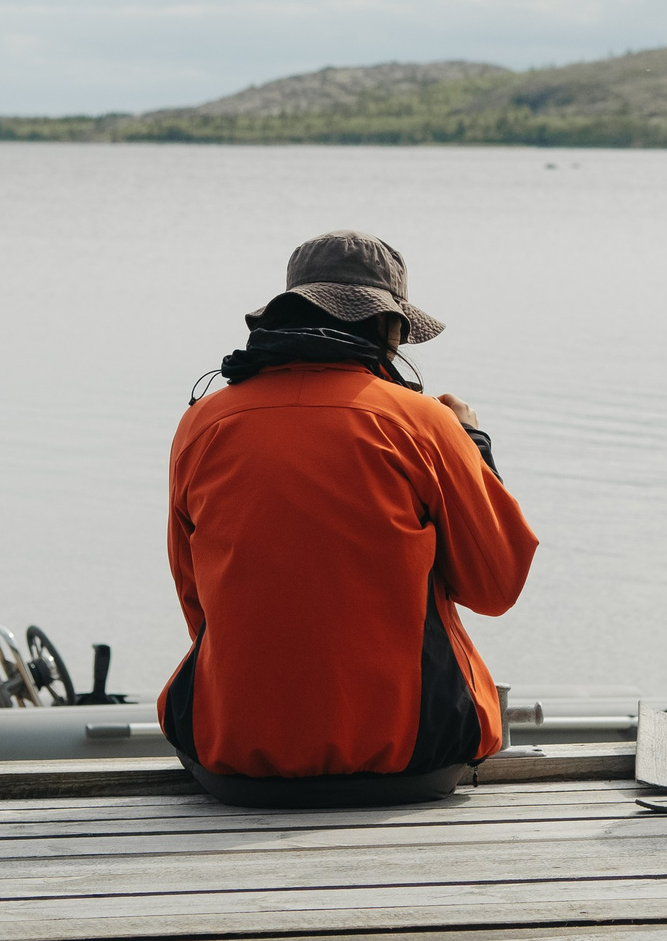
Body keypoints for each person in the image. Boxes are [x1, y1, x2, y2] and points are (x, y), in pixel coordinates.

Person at [161, 230, 538, 806]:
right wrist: (472, 444)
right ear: (389, 328)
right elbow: (495, 585)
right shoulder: (422, 423)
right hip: (414, 762)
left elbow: (196, 600)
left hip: (232, 759)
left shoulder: (203, 424)